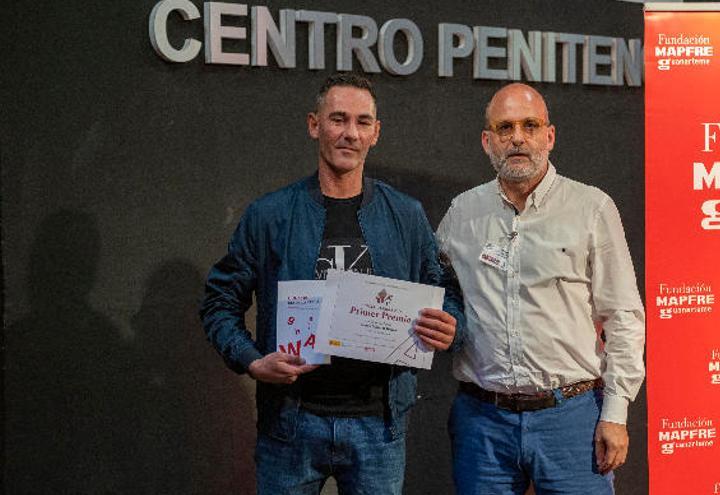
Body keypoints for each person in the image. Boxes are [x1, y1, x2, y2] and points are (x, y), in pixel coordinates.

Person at [200, 73, 456, 495]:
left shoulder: (405, 215)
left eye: (362, 122)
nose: (350, 133)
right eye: (338, 119)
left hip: (379, 424)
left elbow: (446, 291)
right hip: (291, 422)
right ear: (314, 125)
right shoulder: (271, 215)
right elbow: (218, 302)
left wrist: (451, 324)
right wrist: (251, 361)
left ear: (376, 133)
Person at [438, 83, 645, 495]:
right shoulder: (463, 213)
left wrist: (616, 412)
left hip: (570, 419)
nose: (517, 137)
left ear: (549, 136)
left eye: (530, 125)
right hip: (483, 423)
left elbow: (623, 316)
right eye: (505, 128)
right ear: (487, 141)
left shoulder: (591, 208)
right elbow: (436, 289)